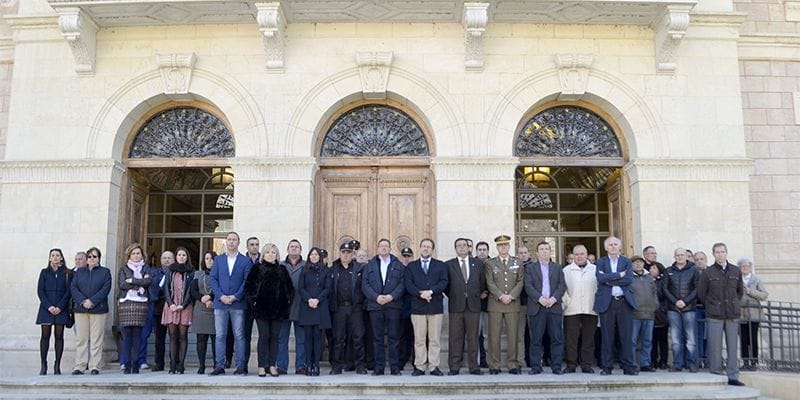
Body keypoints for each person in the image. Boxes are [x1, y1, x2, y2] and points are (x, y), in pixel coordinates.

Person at [697, 242, 745, 386]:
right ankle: (716, 373)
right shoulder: (708, 272)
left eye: (722, 251)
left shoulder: (736, 271)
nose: (720, 254)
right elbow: (702, 293)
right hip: (714, 315)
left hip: (732, 314)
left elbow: (740, 291)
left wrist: (733, 303)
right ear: (713, 254)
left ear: (726, 253)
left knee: (732, 346)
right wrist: (712, 306)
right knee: (715, 346)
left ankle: (733, 376)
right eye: (717, 252)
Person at [245, 243, 294, 377]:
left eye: (273, 252)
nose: (270, 255)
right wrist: (254, 302)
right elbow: (249, 288)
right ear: (263, 254)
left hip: (278, 311)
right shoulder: (257, 268)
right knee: (264, 337)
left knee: (275, 338)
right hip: (262, 310)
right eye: (268, 252)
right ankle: (262, 365)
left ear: (276, 255)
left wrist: (287, 303)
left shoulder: (282, 270)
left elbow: (290, 290)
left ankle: (272, 365)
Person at [210, 232, 253, 376]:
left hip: (238, 304)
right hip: (220, 303)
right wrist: (221, 296)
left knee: (239, 335)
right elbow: (213, 279)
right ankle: (219, 366)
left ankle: (240, 366)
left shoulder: (245, 261)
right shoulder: (218, 260)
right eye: (229, 239)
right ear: (226, 242)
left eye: (234, 239)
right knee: (220, 335)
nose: (231, 242)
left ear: (238, 242)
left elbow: (247, 281)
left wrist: (235, 296)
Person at [362, 238, 405, 375]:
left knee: (394, 338)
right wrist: (376, 297)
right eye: (382, 246)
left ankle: (395, 367)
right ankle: (378, 368)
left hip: (393, 305)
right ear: (378, 248)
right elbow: (365, 284)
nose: (384, 248)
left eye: (386, 246)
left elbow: (402, 283)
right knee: (377, 338)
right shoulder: (370, 265)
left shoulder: (398, 264)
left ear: (390, 248)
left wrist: (391, 296)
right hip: (375, 306)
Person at [594, 236, 637, 375]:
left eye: (615, 244)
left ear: (620, 247)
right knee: (607, 337)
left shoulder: (626, 261)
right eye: (610, 245)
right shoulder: (601, 262)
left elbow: (628, 279)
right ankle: (607, 367)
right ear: (606, 247)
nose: (613, 247)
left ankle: (628, 367)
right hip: (607, 303)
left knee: (626, 336)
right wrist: (619, 274)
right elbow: (600, 278)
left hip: (624, 302)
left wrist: (609, 279)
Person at [406, 238, 448, 376]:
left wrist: (430, 292)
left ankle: (434, 366)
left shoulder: (440, 265)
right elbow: (409, 284)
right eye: (423, 246)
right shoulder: (411, 266)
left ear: (432, 249)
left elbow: (444, 282)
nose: (426, 248)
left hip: (435, 306)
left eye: (428, 247)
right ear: (420, 247)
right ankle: (420, 366)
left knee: (434, 339)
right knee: (419, 339)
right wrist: (420, 294)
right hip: (418, 307)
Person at [445, 238, 486, 375]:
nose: (462, 248)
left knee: (473, 337)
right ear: (455, 248)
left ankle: (474, 367)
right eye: (459, 246)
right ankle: (454, 367)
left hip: (473, 306)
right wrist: (455, 295)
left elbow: (482, 283)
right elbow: (446, 285)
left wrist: (475, 294)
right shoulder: (449, 264)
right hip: (456, 306)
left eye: (464, 245)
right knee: (455, 337)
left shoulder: (478, 264)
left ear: (469, 248)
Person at [484, 234, 524, 375]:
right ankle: (494, 365)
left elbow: (520, 281)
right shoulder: (490, 263)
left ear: (509, 246)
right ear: (497, 247)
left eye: (506, 245)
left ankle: (513, 364)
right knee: (493, 336)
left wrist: (511, 296)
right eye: (500, 245)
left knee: (513, 335)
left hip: (513, 304)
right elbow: (490, 282)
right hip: (495, 304)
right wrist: (501, 295)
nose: (503, 247)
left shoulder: (517, 262)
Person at [525, 241, 566, 375]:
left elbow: (562, 286)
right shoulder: (530, 268)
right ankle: (536, 366)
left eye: (546, 249)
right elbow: (528, 286)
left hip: (554, 307)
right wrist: (541, 299)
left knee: (556, 339)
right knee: (536, 339)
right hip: (537, 307)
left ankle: (556, 367)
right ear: (537, 253)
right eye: (541, 249)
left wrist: (553, 299)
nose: (544, 251)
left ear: (550, 251)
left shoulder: (558, 267)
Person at [70, 247, 112, 375]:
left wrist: (92, 301)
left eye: (95, 256)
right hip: (81, 309)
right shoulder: (79, 272)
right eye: (89, 257)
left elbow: (106, 289)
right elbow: (74, 287)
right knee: (81, 339)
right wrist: (83, 300)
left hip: (98, 309)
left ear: (99, 258)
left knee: (96, 339)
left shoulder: (105, 272)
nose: (92, 259)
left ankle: (94, 366)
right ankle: (80, 365)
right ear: (86, 259)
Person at [330, 241, 367, 375]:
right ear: (339, 253)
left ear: (353, 254)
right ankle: (337, 366)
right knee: (338, 338)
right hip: (339, 309)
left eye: (348, 253)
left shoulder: (359, 268)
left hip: (355, 308)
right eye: (343, 252)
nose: (346, 255)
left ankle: (360, 366)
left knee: (358, 337)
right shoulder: (333, 268)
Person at [561, 244, 597, 374]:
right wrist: (567, 301)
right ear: (573, 256)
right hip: (572, 309)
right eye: (576, 254)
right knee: (571, 339)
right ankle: (571, 364)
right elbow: (562, 288)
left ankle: (586, 364)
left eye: (582, 254)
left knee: (588, 338)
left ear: (586, 254)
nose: (579, 256)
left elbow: (599, 288)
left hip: (590, 308)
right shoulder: (566, 270)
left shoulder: (595, 269)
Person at [117, 243, 152, 374]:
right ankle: (126, 364)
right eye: (134, 253)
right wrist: (139, 281)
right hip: (126, 303)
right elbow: (122, 284)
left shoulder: (146, 268)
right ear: (129, 255)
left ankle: (136, 364)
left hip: (141, 303)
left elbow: (148, 282)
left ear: (142, 255)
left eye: (138, 253)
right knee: (127, 336)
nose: (136, 256)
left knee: (138, 335)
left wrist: (131, 281)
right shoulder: (123, 269)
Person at [664, 247, 700, 372]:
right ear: (674, 257)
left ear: (686, 256)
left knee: (690, 338)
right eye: (677, 255)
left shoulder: (694, 270)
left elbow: (697, 288)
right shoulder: (668, 271)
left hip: (689, 308)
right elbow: (665, 289)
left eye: (682, 255)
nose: (680, 257)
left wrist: (685, 301)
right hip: (673, 309)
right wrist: (675, 302)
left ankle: (691, 364)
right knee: (675, 339)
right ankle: (677, 364)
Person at [36, 248, 71, 375]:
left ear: (61, 258)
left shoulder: (67, 273)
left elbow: (68, 292)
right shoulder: (44, 272)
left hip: (61, 308)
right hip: (46, 308)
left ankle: (57, 365)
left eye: (57, 255)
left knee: (59, 337)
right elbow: (40, 291)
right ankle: (43, 364)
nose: (55, 257)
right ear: (49, 258)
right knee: (45, 337)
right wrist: (49, 306)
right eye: (53, 255)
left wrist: (60, 307)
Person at [298, 247, 332, 376]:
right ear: (309, 256)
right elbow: (301, 288)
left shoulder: (326, 271)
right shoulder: (304, 270)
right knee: (308, 338)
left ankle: (316, 365)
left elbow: (328, 288)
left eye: (316, 254)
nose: (314, 256)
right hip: (307, 307)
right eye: (311, 254)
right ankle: (308, 364)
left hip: (320, 306)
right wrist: (309, 300)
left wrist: (317, 300)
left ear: (320, 257)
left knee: (318, 338)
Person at [161, 247, 195, 374]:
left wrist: (183, 305)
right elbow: (165, 288)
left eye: (184, 255)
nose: (181, 257)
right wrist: (171, 304)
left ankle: (181, 365)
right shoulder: (170, 271)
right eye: (179, 255)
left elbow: (190, 291)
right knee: (172, 336)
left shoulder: (191, 272)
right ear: (176, 257)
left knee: (183, 335)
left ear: (187, 257)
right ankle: (172, 365)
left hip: (184, 306)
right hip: (171, 306)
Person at [278, 239, 307, 375]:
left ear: (300, 250)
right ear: (287, 249)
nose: (294, 249)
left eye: (297, 247)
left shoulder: (306, 266)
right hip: (284, 308)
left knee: (301, 340)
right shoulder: (280, 266)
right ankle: (282, 366)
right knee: (282, 339)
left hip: (301, 307)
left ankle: (301, 366)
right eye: (292, 246)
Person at [738, 257, 767, 371]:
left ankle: (754, 362)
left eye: (747, 266)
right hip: (741, 313)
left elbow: (764, 295)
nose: (745, 268)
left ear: (750, 268)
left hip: (754, 313)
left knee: (753, 338)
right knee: (744, 339)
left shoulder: (756, 280)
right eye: (742, 266)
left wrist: (751, 292)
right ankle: (745, 361)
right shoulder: (737, 280)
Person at [190, 250, 217, 374]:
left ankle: (217, 364)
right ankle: (201, 365)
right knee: (201, 338)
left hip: (215, 308)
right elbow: (193, 290)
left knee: (215, 338)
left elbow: (220, 288)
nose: (209, 261)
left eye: (212, 258)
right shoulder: (198, 274)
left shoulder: (219, 273)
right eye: (207, 258)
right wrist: (202, 298)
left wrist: (210, 297)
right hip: (200, 308)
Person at [630, 255, 658, 372]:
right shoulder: (629, 277)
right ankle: (632, 363)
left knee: (647, 341)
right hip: (634, 314)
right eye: (635, 262)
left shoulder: (649, 278)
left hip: (649, 314)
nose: (638, 264)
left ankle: (645, 363)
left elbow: (654, 293)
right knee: (633, 341)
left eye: (640, 262)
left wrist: (655, 305)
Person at [150, 251, 173, 371]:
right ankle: (159, 363)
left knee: (174, 338)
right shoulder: (154, 274)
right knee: (159, 338)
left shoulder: (176, 273)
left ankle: (174, 363)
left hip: (173, 309)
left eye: (169, 258)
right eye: (164, 258)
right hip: (158, 308)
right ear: (161, 260)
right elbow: (153, 290)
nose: (167, 260)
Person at [648, 261, 669, 369]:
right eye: (651, 269)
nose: (652, 271)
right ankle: (653, 360)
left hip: (661, 313)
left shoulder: (662, 281)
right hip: (650, 313)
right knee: (652, 339)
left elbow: (662, 295)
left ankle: (664, 361)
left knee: (663, 340)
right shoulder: (647, 280)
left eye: (654, 269)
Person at [397, 246, 415, 370]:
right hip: (401, 307)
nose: (406, 258)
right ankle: (401, 360)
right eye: (404, 256)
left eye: (409, 256)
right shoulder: (397, 269)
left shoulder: (415, 269)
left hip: (414, 307)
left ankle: (416, 362)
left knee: (416, 337)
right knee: (401, 336)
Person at [515, 246, 532, 369]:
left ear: (529, 254)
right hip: (518, 305)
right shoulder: (514, 267)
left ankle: (534, 360)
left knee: (534, 335)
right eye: (520, 253)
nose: (523, 255)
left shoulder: (534, 266)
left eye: (525, 253)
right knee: (519, 335)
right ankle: (520, 360)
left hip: (533, 304)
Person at [475, 240, 490, 369]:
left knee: (490, 334)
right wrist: (478, 294)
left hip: (491, 304)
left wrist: (488, 293)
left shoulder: (493, 263)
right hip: (477, 305)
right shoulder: (472, 263)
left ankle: (491, 360)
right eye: (480, 250)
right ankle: (481, 360)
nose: (482, 252)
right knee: (478, 335)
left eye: (484, 249)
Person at [694, 251, 708, 368]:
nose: (700, 261)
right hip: (697, 307)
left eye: (701, 259)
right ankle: (699, 359)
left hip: (710, 308)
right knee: (698, 334)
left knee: (710, 335)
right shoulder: (693, 273)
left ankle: (708, 360)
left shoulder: (711, 272)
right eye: (697, 259)